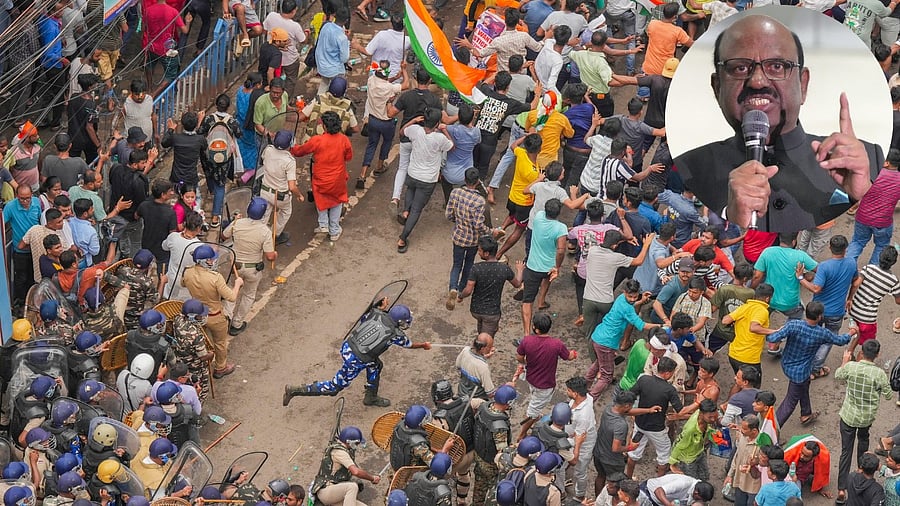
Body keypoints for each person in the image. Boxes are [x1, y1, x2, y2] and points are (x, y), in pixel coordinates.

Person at [674, 14, 883, 232]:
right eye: (739, 68)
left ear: (803, 84)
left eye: (776, 66)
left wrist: (863, 195)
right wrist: (733, 217)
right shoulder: (689, 168)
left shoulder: (868, 161)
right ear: (717, 87)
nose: (757, 81)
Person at [283, 302, 431, 407]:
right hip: (357, 359)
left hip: (348, 346)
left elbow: (366, 316)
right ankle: (295, 390)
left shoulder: (375, 313)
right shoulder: (396, 334)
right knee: (334, 388)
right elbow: (409, 345)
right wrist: (424, 345)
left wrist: (380, 306)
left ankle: (370, 397)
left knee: (376, 365)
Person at [767, 301, 855, 426]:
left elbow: (772, 338)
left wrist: (779, 332)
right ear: (819, 316)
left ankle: (806, 414)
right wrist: (851, 332)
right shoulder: (822, 333)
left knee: (805, 383)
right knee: (790, 402)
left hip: (787, 364)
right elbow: (840, 341)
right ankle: (771, 432)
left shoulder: (793, 325)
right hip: (800, 372)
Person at [835, 340, 893, 504]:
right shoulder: (879, 374)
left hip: (848, 416)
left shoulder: (852, 367)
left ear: (862, 351)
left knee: (846, 451)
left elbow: (838, 375)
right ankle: (862, 473)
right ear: (877, 355)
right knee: (863, 443)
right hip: (866, 417)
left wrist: (845, 361)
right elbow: (888, 395)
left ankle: (841, 488)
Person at [588, 279, 661, 398]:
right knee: (606, 377)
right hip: (606, 342)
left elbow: (630, 307)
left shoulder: (621, 298)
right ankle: (590, 399)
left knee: (598, 364)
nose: (632, 299)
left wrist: (641, 301)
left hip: (599, 336)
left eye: (635, 296)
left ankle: (585, 386)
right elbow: (642, 325)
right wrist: (662, 325)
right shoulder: (627, 308)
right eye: (630, 296)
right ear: (624, 292)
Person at [798, 235, 858, 379]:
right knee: (829, 339)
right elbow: (855, 282)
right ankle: (816, 369)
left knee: (811, 335)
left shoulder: (825, 266)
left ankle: (805, 363)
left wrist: (800, 278)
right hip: (837, 311)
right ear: (846, 249)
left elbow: (816, 289)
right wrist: (849, 298)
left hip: (818, 310)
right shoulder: (851, 263)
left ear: (830, 247)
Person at [396, 108, 453, 253]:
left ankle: (405, 212)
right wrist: (445, 130)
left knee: (410, 190)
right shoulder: (439, 138)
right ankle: (402, 238)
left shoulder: (415, 130)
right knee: (417, 209)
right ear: (437, 123)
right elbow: (451, 146)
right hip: (428, 179)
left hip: (413, 172)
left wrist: (413, 121)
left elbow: (402, 132)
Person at [182, 245, 243, 379]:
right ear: (205, 261)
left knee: (204, 341)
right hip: (215, 315)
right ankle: (221, 367)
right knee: (220, 343)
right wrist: (237, 284)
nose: (212, 261)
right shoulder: (215, 277)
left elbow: (182, 283)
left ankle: (205, 362)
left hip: (197, 315)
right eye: (210, 260)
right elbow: (231, 297)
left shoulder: (187, 272)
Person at [290, 111, 353, 242]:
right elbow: (348, 157)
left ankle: (323, 224)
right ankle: (334, 230)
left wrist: (292, 146)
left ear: (324, 126)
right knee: (337, 201)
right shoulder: (344, 140)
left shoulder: (317, 140)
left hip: (320, 178)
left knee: (321, 199)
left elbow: (300, 151)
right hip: (338, 178)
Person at [515, 313, 575, 438]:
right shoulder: (556, 344)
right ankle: (522, 433)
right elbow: (568, 356)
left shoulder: (527, 341)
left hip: (531, 378)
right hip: (545, 385)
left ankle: (534, 417)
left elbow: (520, 357)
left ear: (536, 329)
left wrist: (526, 362)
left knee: (535, 400)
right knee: (532, 412)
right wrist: (574, 354)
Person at [222, 197, 276, 335]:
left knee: (231, 291)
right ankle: (237, 323)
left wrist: (236, 220)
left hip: (236, 267)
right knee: (248, 295)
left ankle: (226, 317)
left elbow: (224, 236)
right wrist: (274, 254)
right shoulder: (265, 231)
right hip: (253, 269)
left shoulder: (237, 223)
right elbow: (270, 256)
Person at [626, 356, 683, 477]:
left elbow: (629, 395)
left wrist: (632, 411)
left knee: (633, 453)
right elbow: (680, 410)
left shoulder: (644, 380)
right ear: (667, 373)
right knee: (664, 456)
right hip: (657, 429)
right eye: (673, 373)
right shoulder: (670, 389)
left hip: (640, 424)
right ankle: (659, 483)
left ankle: (628, 477)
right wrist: (696, 405)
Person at [457, 236, 524, 336]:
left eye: (480, 250)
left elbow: (468, 290)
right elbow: (517, 284)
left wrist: (460, 296)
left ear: (486, 253)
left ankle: (480, 346)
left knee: (481, 334)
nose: (478, 252)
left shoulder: (476, 268)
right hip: (492, 312)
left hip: (476, 309)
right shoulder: (504, 269)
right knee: (487, 339)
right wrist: (520, 270)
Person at [520, 199, 569, 335]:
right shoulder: (561, 228)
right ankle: (541, 301)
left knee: (527, 300)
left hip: (532, 265)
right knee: (546, 281)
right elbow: (560, 250)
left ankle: (526, 333)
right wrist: (557, 267)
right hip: (549, 267)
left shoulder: (538, 216)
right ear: (559, 212)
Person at [445, 168, 491, 309]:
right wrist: (489, 231)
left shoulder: (455, 193)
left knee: (456, 264)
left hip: (458, 237)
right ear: (477, 182)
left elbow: (448, 215)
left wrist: (457, 221)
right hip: (472, 240)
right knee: (469, 264)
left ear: (464, 180)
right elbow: (478, 225)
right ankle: (461, 291)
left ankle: (452, 287)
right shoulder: (479, 201)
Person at [846, 148, 900, 264]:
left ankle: (847, 267)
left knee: (857, 242)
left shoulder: (872, 174)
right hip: (883, 222)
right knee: (881, 246)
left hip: (863, 218)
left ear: (886, 162)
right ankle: (870, 273)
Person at [358, 60, 407, 184]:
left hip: (373, 120)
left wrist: (395, 77)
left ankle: (362, 174)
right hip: (386, 123)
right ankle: (379, 166)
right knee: (386, 143)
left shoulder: (371, 81)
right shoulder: (390, 88)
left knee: (371, 145)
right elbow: (406, 85)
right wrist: (404, 71)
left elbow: (383, 82)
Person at [846, 246, 900, 356]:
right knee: (868, 347)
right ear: (893, 262)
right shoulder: (893, 280)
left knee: (858, 333)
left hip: (854, 310)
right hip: (868, 318)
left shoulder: (868, 268)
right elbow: (898, 301)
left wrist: (850, 298)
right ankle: (859, 363)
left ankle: (849, 351)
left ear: (880, 257)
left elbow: (856, 284)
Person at [471, 385, 517, 506]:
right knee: (494, 490)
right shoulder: (499, 425)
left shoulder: (484, 408)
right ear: (507, 403)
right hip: (491, 464)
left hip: (478, 456)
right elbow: (501, 451)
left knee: (479, 485)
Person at [310, 427, 379, 505]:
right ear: (349, 442)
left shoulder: (341, 447)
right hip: (326, 492)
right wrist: (372, 478)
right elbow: (356, 472)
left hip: (335, 491)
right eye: (356, 443)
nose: (357, 446)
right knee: (352, 487)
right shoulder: (340, 452)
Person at [722, 283, 776, 382]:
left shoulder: (745, 307)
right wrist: (773, 331)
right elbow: (754, 327)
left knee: (740, 384)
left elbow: (725, 320)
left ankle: (732, 398)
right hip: (749, 358)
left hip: (734, 354)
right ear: (768, 298)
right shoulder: (762, 311)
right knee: (753, 389)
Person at [258, 129, 304, 245]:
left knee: (264, 214)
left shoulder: (268, 150)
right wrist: (299, 195)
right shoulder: (289, 161)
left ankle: (259, 236)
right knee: (285, 211)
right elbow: (292, 187)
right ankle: (275, 234)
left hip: (264, 190)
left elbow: (263, 160)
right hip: (280, 195)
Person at [594, 391, 640, 493]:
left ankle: (598, 500)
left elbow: (628, 412)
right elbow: (616, 448)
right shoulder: (621, 425)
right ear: (627, 405)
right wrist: (630, 447)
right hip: (612, 460)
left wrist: (648, 410)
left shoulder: (609, 408)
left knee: (600, 476)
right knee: (615, 483)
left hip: (598, 453)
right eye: (631, 406)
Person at [144, 0, 190, 96]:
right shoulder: (173, 11)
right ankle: (154, 94)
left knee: (149, 66)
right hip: (166, 48)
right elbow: (185, 30)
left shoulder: (148, 10)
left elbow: (145, 27)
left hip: (152, 46)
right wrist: (188, 22)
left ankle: (149, 88)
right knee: (171, 74)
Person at [262, 0, 306, 98]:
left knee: (272, 76)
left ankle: (274, 96)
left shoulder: (271, 16)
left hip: (272, 56)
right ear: (294, 11)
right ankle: (286, 100)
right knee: (290, 81)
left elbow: (264, 31)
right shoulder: (295, 26)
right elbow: (303, 40)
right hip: (289, 59)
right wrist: (307, 33)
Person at [389, 405, 455, 470]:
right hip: (408, 471)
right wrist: (445, 449)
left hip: (396, 461)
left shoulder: (399, 426)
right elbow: (436, 465)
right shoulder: (418, 444)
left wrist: (436, 450)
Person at [135, 179, 177, 277]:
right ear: (163, 195)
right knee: (162, 273)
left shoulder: (144, 205)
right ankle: (160, 288)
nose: (172, 193)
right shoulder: (170, 213)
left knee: (144, 267)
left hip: (147, 243)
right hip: (162, 248)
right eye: (170, 191)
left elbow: (136, 216)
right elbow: (172, 233)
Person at [669, 399, 718, 480]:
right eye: (710, 417)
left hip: (700, 452)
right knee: (692, 482)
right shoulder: (690, 429)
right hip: (688, 459)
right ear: (701, 414)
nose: (713, 419)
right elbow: (679, 444)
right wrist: (672, 463)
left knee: (705, 476)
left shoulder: (701, 414)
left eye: (714, 416)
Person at [161, 211, 203, 300]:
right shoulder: (199, 246)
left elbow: (164, 246)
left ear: (184, 224)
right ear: (198, 228)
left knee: (170, 301)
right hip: (188, 283)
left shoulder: (173, 237)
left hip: (172, 279)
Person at [162, 112, 208, 192]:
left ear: (182, 124)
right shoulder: (199, 139)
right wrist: (199, 123)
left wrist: (170, 129)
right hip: (191, 177)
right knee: (192, 200)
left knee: (177, 198)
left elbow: (164, 143)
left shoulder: (176, 138)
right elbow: (204, 145)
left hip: (176, 176)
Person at [314, 6, 350, 96]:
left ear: (334, 16)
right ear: (346, 20)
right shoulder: (342, 38)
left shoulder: (326, 26)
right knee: (338, 88)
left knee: (324, 82)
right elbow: (344, 58)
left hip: (321, 65)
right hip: (334, 70)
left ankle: (318, 102)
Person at [638, 475, 715, 505]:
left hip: (661, 503)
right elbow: (658, 491)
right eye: (700, 499)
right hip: (647, 494)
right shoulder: (684, 483)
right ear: (696, 493)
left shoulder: (696, 489)